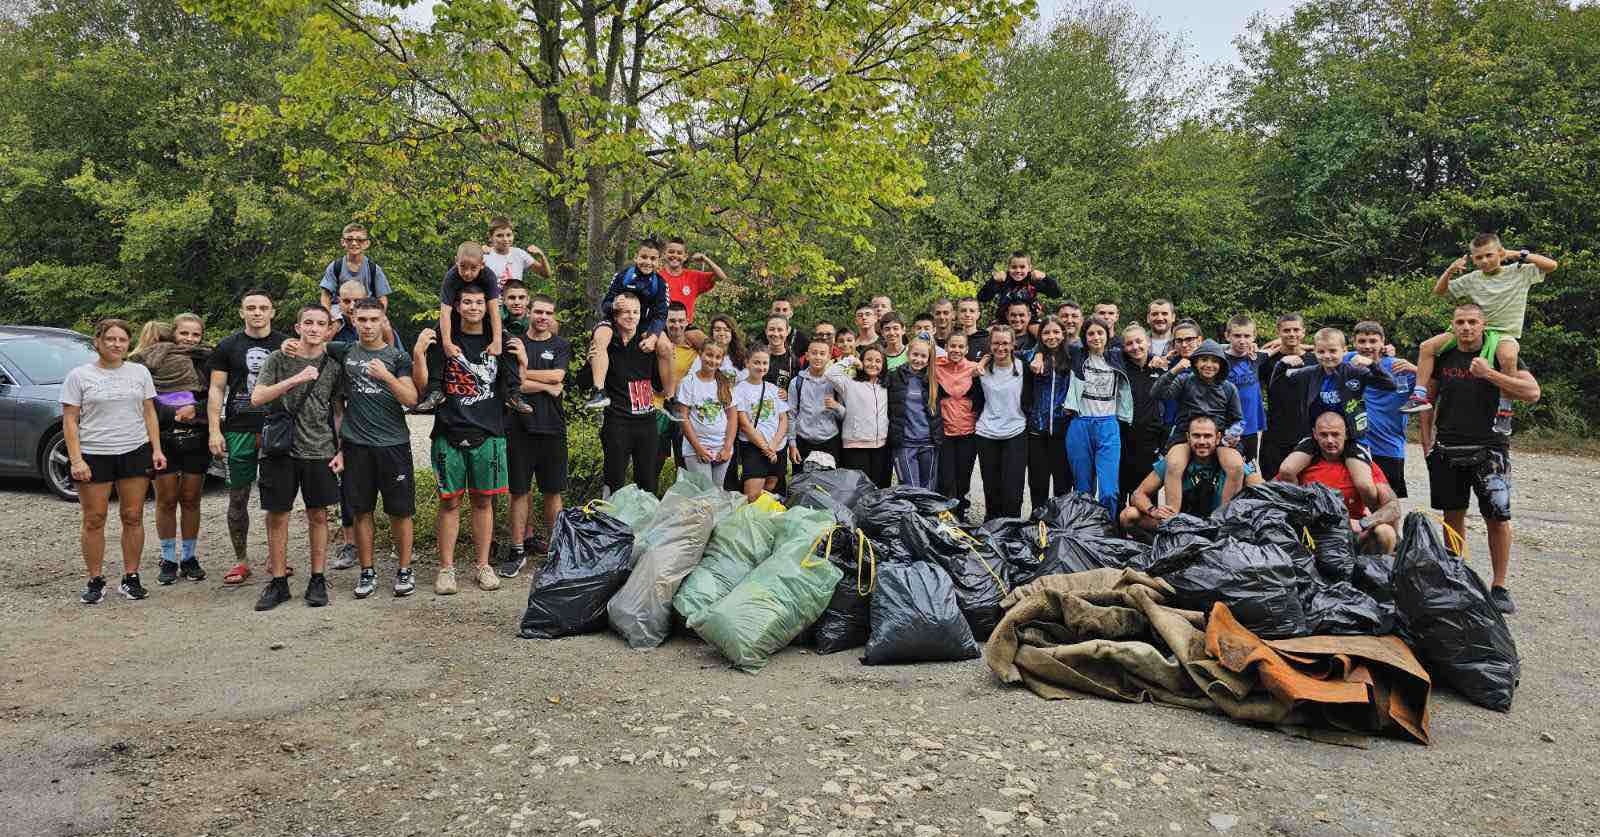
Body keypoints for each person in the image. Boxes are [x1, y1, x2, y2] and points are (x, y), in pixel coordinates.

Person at [1419, 302, 1541, 614]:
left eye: (1473, 322)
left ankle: (1499, 586)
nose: (1466, 327)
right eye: (1460, 322)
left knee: (1497, 517)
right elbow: (1428, 399)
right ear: (1453, 325)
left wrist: (1490, 375)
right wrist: (1426, 442)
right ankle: (1455, 576)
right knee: (1452, 515)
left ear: (1483, 325)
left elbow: (1531, 393)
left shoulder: (1499, 354)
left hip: (1491, 448)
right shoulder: (1444, 355)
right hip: (1447, 447)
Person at [1405, 234, 1558, 437]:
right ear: (1473, 259)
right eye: (1479, 258)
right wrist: (1450, 271)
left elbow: (1552, 265)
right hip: (1475, 328)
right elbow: (1439, 292)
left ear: (1500, 253)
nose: (1484, 261)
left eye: (1489, 255)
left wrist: (1519, 254)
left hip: (1504, 332)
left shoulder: (1519, 272)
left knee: (1508, 356)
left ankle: (1504, 409)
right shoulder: (1472, 279)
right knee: (1427, 346)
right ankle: (1419, 394)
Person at [412, 286, 510, 595]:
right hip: (448, 430)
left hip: (488, 431)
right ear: (456, 305)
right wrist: (418, 353)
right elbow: (423, 386)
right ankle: (446, 569)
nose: (473, 307)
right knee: (449, 502)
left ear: (488, 306)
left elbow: (512, 384)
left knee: (483, 501)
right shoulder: (445, 340)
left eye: (479, 302)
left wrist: (520, 362)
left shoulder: (498, 340)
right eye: (466, 301)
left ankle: (483, 565)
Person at [249, 304, 344, 611]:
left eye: (321, 324)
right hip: (280, 449)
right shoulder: (278, 358)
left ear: (329, 330)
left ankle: (317, 578)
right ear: (298, 327)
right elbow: (258, 396)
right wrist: (296, 379)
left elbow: (340, 410)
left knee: (318, 514)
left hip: (320, 448)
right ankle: (278, 581)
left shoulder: (333, 364)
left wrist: (342, 449)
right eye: (309, 323)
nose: (314, 328)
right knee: (277, 515)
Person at [64, 319, 165, 604]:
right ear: (97, 341)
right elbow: (70, 420)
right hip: (95, 453)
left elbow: (149, 413)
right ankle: (95, 580)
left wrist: (156, 449)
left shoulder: (139, 372)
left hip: (134, 450)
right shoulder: (79, 376)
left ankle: (131, 578)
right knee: (94, 519)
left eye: (122, 340)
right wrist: (76, 460)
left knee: (132, 515)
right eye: (110, 339)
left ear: (128, 344)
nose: (116, 344)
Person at [324, 299, 419, 598]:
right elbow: (311, 344)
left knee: (400, 512)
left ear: (383, 320)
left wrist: (386, 376)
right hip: (357, 446)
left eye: (373, 319)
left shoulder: (397, 357)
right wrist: (289, 344)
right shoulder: (344, 351)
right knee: (361, 510)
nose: (367, 325)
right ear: (352, 320)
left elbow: (411, 399)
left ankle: (404, 569)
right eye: (361, 319)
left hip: (393, 445)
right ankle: (367, 571)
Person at [206, 289, 288, 586]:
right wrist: (215, 430)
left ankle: (276, 558)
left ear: (272, 312)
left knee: (277, 498)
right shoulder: (228, 346)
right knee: (238, 497)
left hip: (275, 427)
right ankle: (241, 561)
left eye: (263, 307)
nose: (257, 313)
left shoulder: (284, 344)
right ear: (242, 312)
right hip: (238, 428)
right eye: (250, 308)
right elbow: (216, 390)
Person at [132, 315, 211, 584]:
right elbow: (142, 401)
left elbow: (214, 396)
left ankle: (188, 557)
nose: (189, 339)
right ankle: (167, 557)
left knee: (191, 499)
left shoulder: (205, 361)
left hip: (196, 437)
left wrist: (196, 410)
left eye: (195, 335)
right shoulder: (151, 360)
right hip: (162, 437)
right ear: (173, 333)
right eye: (184, 334)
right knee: (165, 500)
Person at [502, 294, 570, 576]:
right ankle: (517, 550)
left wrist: (525, 373)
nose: (543, 317)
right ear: (528, 313)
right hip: (519, 428)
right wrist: (544, 383)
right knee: (519, 491)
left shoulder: (561, 345)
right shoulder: (515, 344)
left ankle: (557, 552)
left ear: (553, 317)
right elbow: (512, 386)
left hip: (552, 427)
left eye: (548, 313)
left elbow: (558, 377)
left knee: (553, 492)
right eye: (538, 312)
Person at [1152, 339, 1247, 518]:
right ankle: (1173, 517)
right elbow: (1157, 393)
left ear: (1221, 364)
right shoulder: (1184, 381)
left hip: (1218, 436)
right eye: (1203, 360)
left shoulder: (1229, 388)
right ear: (1195, 362)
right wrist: (1175, 370)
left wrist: (1232, 435)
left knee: (1235, 466)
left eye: (1214, 361)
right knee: (1174, 464)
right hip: (1185, 434)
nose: (1209, 365)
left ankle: (1224, 517)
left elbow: (1238, 420)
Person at [1119, 417, 1263, 532]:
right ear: (1188, 437)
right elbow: (1138, 494)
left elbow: (1263, 491)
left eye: (1207, 436)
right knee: (1128, 515)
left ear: (1218, 438)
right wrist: (1153, 511)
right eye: (1196, 436)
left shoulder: (1230, 463)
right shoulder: (1176, 461)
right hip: (1181, 529)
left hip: (1219, 530)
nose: (1202, 441)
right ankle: (1153, 552)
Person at [585, 239, 675, 410]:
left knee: (666, 347)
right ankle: (598, 391)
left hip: (645, 323)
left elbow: (661, 314)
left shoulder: (661, 284)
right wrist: (613, 305)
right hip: (618, 320)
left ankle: (670, 399)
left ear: (658, 261)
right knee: (600, 336)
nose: (647, 262)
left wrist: (654, 337)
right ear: (636, 256)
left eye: (652, 259)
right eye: (644, 257)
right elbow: (605, 304)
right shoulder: (622, 276)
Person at [1294, 412, 1401, 554]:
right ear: (1315, 435)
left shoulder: (1361, 466)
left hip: (1354, 534)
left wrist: (1364, 523)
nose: (1330, 440)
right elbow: (1274, 493)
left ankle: (1374, 572)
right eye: (1324, 435)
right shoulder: (1303, 465)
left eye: (1335, 434)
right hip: (1314, 534)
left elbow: (1393, 507)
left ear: (1345, 434)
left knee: (1385, 532)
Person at [594, 292, 665, 495]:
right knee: (613, 480)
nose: (631, 316)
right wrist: (591, 361)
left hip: (647, 423)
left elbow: (659, 385)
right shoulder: (607, 345)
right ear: (615, 316)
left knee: (648, 481)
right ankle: (609, 523)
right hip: (617, 423)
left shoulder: (647, 345)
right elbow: (584, 382)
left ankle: (645, 524)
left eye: (635, 312)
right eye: (625, 312)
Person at [1063, 317, 1132, 516]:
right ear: (1084, 337)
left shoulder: (1118, 356)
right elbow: (1050, 344)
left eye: (1100, 333)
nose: (1096, 337)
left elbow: (1140, 351)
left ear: (1108, 334)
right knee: (1083, 490)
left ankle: (1107, 530)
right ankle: (1085, 531)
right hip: (1080, 424)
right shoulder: (1076, 354)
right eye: (1091, 333)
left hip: (1108, 425)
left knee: (1109, 491)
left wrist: (1155, 358)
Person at [1349, 321, 1415, 499]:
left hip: (1389, 446)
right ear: (1354, 342)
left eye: (1373, 341)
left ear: (1382, 342)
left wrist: (1415, 368)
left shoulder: (1400, 368)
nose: (1367, 346)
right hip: (1356, 446)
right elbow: (1323, 349)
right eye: (1362, 341)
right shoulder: (1349, 360)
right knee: (1355, 502)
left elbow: (1435, 382)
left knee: (1388, 504)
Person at [973, 326, 1028, 521]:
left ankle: (1012, 528)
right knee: (991, 486)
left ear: (1013, 344)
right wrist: (983, 361)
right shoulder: (981, 369)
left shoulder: (1024, 367)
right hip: (986, 433)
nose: (1000, 347)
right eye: (996, 343)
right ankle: (993, 530)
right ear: (990, 345)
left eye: (1005, 343)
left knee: (1013, 489)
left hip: (1016, 431)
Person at [1022, 318, 1072, 509]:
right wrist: (1038, 354)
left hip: (1063, 431)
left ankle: (1059, 524)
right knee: (1037, 483)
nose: (1052, 336)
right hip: (1037, 431)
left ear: (1063, 334)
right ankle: (1038, 522)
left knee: (1063, 483)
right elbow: (1014, 353)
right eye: (1047, 333)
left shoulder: (1072, 356)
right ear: (1040, 336)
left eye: (1056, 332)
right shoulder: (1031, 356)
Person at [825, 346, 891, 488]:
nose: (873, 364)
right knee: (858, 488)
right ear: (862, 361)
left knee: (878, 486)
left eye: (878, 361)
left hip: (880, 445)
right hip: (855, 445)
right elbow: (830, 373)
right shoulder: (850, 383)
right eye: (868, 360)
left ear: (883, 365)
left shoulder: (885, 385)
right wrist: (851, 359)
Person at [935, 331, 982, 519]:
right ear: (945, 348)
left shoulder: (974, 368)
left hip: (968, 432)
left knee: (963, 478)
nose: (956, 350)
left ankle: (961, 514)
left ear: (967, 349)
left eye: (960, 346)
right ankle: (944, 515)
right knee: (946, 479)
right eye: (952, 346)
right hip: (945, 432)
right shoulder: (936, 367)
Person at [1118, 324, 1166, 509]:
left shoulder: (1160, 366)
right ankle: (1117, 533)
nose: (1135, 347)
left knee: (1146, 496)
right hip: (1124, 439)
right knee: (1120, 493)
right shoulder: (1120, 367)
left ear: (1148, 342)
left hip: (1151, 441)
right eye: (1129, 343)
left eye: (1139, 341)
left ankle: (1144, 536)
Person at [1257, 313, 1309, 482]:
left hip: (1305, 429)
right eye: (1287, 330)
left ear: (1303, 332)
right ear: (1278, 332)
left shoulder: (1315, 359)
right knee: (1272, 479)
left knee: (1305, 480)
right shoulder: (1267, 361)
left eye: (1296, 330)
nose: (1292, 334)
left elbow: (1338, 353)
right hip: (1274, 430)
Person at [677, 341, 738, 487]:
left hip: (721, 447)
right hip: (696, 448)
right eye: (709, 355)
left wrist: (727, 447)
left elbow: (732, 417)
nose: (712, 360)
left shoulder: (724, 383)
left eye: (718, 357)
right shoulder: (689, 382)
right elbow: (683, 417)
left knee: (716, 491)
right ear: (700, 354)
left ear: (722, 360)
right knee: (704, 493)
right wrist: (698, 448)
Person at [734, 348, 788, 501]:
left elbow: (783, 419)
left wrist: (774, 444)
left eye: (765, 363)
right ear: (747, 363)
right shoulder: (739, 390)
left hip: (777, 446)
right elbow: (744, 424)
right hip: (754, 447)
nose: (761, 367)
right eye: (756, 362)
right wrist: (765, 447)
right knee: (752, 494)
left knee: (771, 486)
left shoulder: (773, 389)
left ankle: (763, 521)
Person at [887, 339, 941, 489]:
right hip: (904, 443)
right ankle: (911, 513)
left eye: (923, 356)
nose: (918, 359)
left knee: (928, 489)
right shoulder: (894, 376)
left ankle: (927, 514)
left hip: (928, 442)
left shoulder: (932, 379)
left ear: (929, 359)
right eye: (915, 354)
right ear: (908, 354)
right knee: (910, 489)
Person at [787, 337, 846, 466]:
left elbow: (846, 415)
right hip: (803, 441)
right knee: (802, 484)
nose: (818, 357)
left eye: (822, 354)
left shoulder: (836, 383)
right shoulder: (796, 382)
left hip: (830, 441)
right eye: (814, 353)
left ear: (829, 356)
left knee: (828, 483)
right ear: (807, 356)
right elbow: (791, 415)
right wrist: (792, 443)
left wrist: (836, 406)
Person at [319, 222, 391, 320]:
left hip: (366, 310)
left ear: (366, 243)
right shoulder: (335, 266)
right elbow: (326, 295)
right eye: (349, 239)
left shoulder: (373, 269)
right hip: (340, 311)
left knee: (387, 329)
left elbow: (382, 298)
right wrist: (327, 317)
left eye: (359, 240)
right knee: (331, 327)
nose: (354, 243)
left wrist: (379, 317)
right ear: (343, 242)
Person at [1223, 315, 1267, 462]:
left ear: (1254, 336)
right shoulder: (1219, 359)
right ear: (1227, 336)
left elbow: (1282, 344)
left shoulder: (1257, 357)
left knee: (1250, 467)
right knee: (1230, 469)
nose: (1242, 340)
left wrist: (1313, 347)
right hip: (1228, 425)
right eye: (1237, 335)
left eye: (1247, 336)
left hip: (1251, 426)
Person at [978, 252, 1058, 322]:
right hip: (1004, 322)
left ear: (1029, 268)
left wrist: (1045, 277)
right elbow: (982, 297)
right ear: (1008, 267)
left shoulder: (1033, 281)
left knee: (1040, 332)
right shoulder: (1004, 280)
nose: (1018, 271)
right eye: (1014, 267)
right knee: (989, 334)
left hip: (1030, 321)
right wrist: (993, 280)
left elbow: (1056, 294)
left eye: (1022, 267)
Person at [661, 237, 728, 321]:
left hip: (686, 326)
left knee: (699, 335)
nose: (675, 255)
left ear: (685, 256)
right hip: (661, 325)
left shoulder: (693, 276)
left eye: (679, 253)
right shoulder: (657, 277)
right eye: (671, 252)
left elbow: (721, 277)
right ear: (664, 254)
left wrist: (705, 259)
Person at [482, 216, 551, 290]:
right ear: (490, 237)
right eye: (499, 236)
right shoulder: (485, 255)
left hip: (515, 300)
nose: (505, 239)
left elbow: (546, 274)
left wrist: (541, 255)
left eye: (509, 235)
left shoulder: (519, 254)